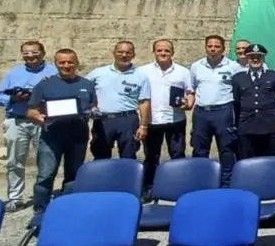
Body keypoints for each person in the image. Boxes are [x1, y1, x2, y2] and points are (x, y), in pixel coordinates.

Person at [26, 48, 94, 213]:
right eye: (62, 62)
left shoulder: (87, 84)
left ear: (76, 63)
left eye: (70, 62)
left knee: (73, 173)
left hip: (78, 135)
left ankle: (67, 208)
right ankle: (40, 210)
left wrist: (93, 113)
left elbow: (93, 106)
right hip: (52, 135)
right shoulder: (44, 84)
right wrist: (40, 118)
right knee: (46, 174)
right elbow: (30, 111)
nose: (66, 65)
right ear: (56, 64)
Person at [0, 40, 57, 211]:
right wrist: (13, 98)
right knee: (14, 161)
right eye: (26, 53)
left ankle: (43, 195)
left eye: (34, 52)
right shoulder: (13, 73)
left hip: (43, 120)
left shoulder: (53, 71)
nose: (30, 56)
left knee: (46, 161)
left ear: (43, 53)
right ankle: (15, 197)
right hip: (17, 120)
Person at [136, 39, 193, 196]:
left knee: (178, 155)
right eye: (159, 50)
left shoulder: (183, 72)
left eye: (166, 51)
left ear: (172, 52)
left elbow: (189, 92)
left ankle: (178, 187)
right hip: (152, 121)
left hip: (175, 120)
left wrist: (188, 103)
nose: (163, 53)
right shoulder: (142, 71)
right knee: (151, 156)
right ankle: (149, 187)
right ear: (154, 52)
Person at [189, 35, 243, 185]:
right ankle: (201, 182)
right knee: (199, 149)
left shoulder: (233, 67)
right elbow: (192, 89)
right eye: (210, 46)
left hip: (224, 111)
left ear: (223, 49)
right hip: (201, 112)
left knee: (226, 149)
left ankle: (227, 183)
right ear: (206, 47)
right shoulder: (196, 66)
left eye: (217, 46)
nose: (213, 49)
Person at [85, 41, 150, 159]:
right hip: (103, 120)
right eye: (120, 52)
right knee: (100, 156)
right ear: (114, 53)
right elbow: (82, 88)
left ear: (133, 55)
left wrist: (143, 126)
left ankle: (127, 178)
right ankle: (103, 177)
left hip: (128, 120)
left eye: (128, 52)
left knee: (128, 156)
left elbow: (144, 103)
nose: (124, 55)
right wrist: (91, 106)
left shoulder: (141, 76)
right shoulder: (98, 73)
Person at [230, 44, 275, 159]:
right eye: (251, 57)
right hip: (246, 125)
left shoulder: (274, 76)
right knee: (246, 158)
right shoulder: (238, 78)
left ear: (263, 58)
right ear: (246, 58)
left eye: (258, 57)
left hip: (269, 125)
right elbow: (236, 102)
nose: (255, 59)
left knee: (269, 159)